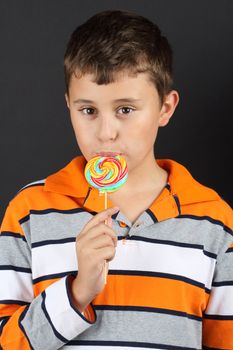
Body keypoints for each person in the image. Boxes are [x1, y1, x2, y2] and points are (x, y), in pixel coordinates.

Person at [0, 9, 232, 350]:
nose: (106, 133)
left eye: (125, 109)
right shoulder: (30, 212)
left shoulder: (214, 222)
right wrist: (77, 293)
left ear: (165, 108)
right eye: (88, 110)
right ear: (68, 106)